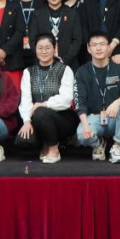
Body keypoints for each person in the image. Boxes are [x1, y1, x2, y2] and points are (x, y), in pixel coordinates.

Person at [74, 31, 120, 163]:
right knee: (81, 135)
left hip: (115, 117)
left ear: (108, 46)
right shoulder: (82, 72)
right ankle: (98, 144)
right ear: (88, 48)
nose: (98, 48)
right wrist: (85, 125)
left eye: (102, 44)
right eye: (94, 45)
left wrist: (117, 103)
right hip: (94, 118)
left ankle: (117, 146)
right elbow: (80, 102)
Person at [16, 34, 76, 163]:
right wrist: (26, 121)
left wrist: (44, 104)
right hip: (37, 118)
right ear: (35, 49)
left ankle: (54, 149)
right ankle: (46, 143)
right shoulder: (28, 72)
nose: (44, 51)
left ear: (55, 49)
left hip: (62, 119)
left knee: (41, 112)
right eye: (40, 48)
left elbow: (66, 99)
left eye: (48, 48)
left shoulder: (65, 69)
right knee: (23, 140)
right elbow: (25, 100)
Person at [28, 0, 84, 70]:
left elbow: (77, 40)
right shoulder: (37, 14)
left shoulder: (72, 14)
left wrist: (65, 59)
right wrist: (46, 58)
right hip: (42, 64)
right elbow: (32, 40)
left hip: (68, 64)